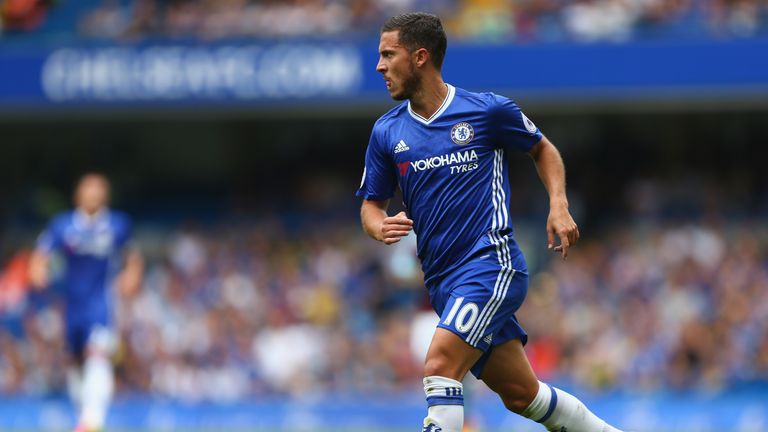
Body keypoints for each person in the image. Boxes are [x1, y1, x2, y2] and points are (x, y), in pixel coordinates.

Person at [357, 12, 622, 432]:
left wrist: (558, 203)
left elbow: (543, 149)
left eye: (389, 55)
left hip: (490, 264)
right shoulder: (387, 132)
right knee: (523, 395)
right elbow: (371, 203)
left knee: (440, 362)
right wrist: (377, 225)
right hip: (443, 284)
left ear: (420, 57)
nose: (380, 66)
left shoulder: (485, 111)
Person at [28, 173, 143, 432]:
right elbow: (41, 254)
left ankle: (93, 421)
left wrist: (131, 276)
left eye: (98, 189)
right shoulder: (63, 225)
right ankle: (85, 417)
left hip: (101, 302)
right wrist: (38, 271)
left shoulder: (117, 224)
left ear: (106, 195)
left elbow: (133, 257)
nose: (93, 194)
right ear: (77, 194)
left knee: (98, 354)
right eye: (88, 189)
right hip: (72, 305)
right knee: (77, 363)